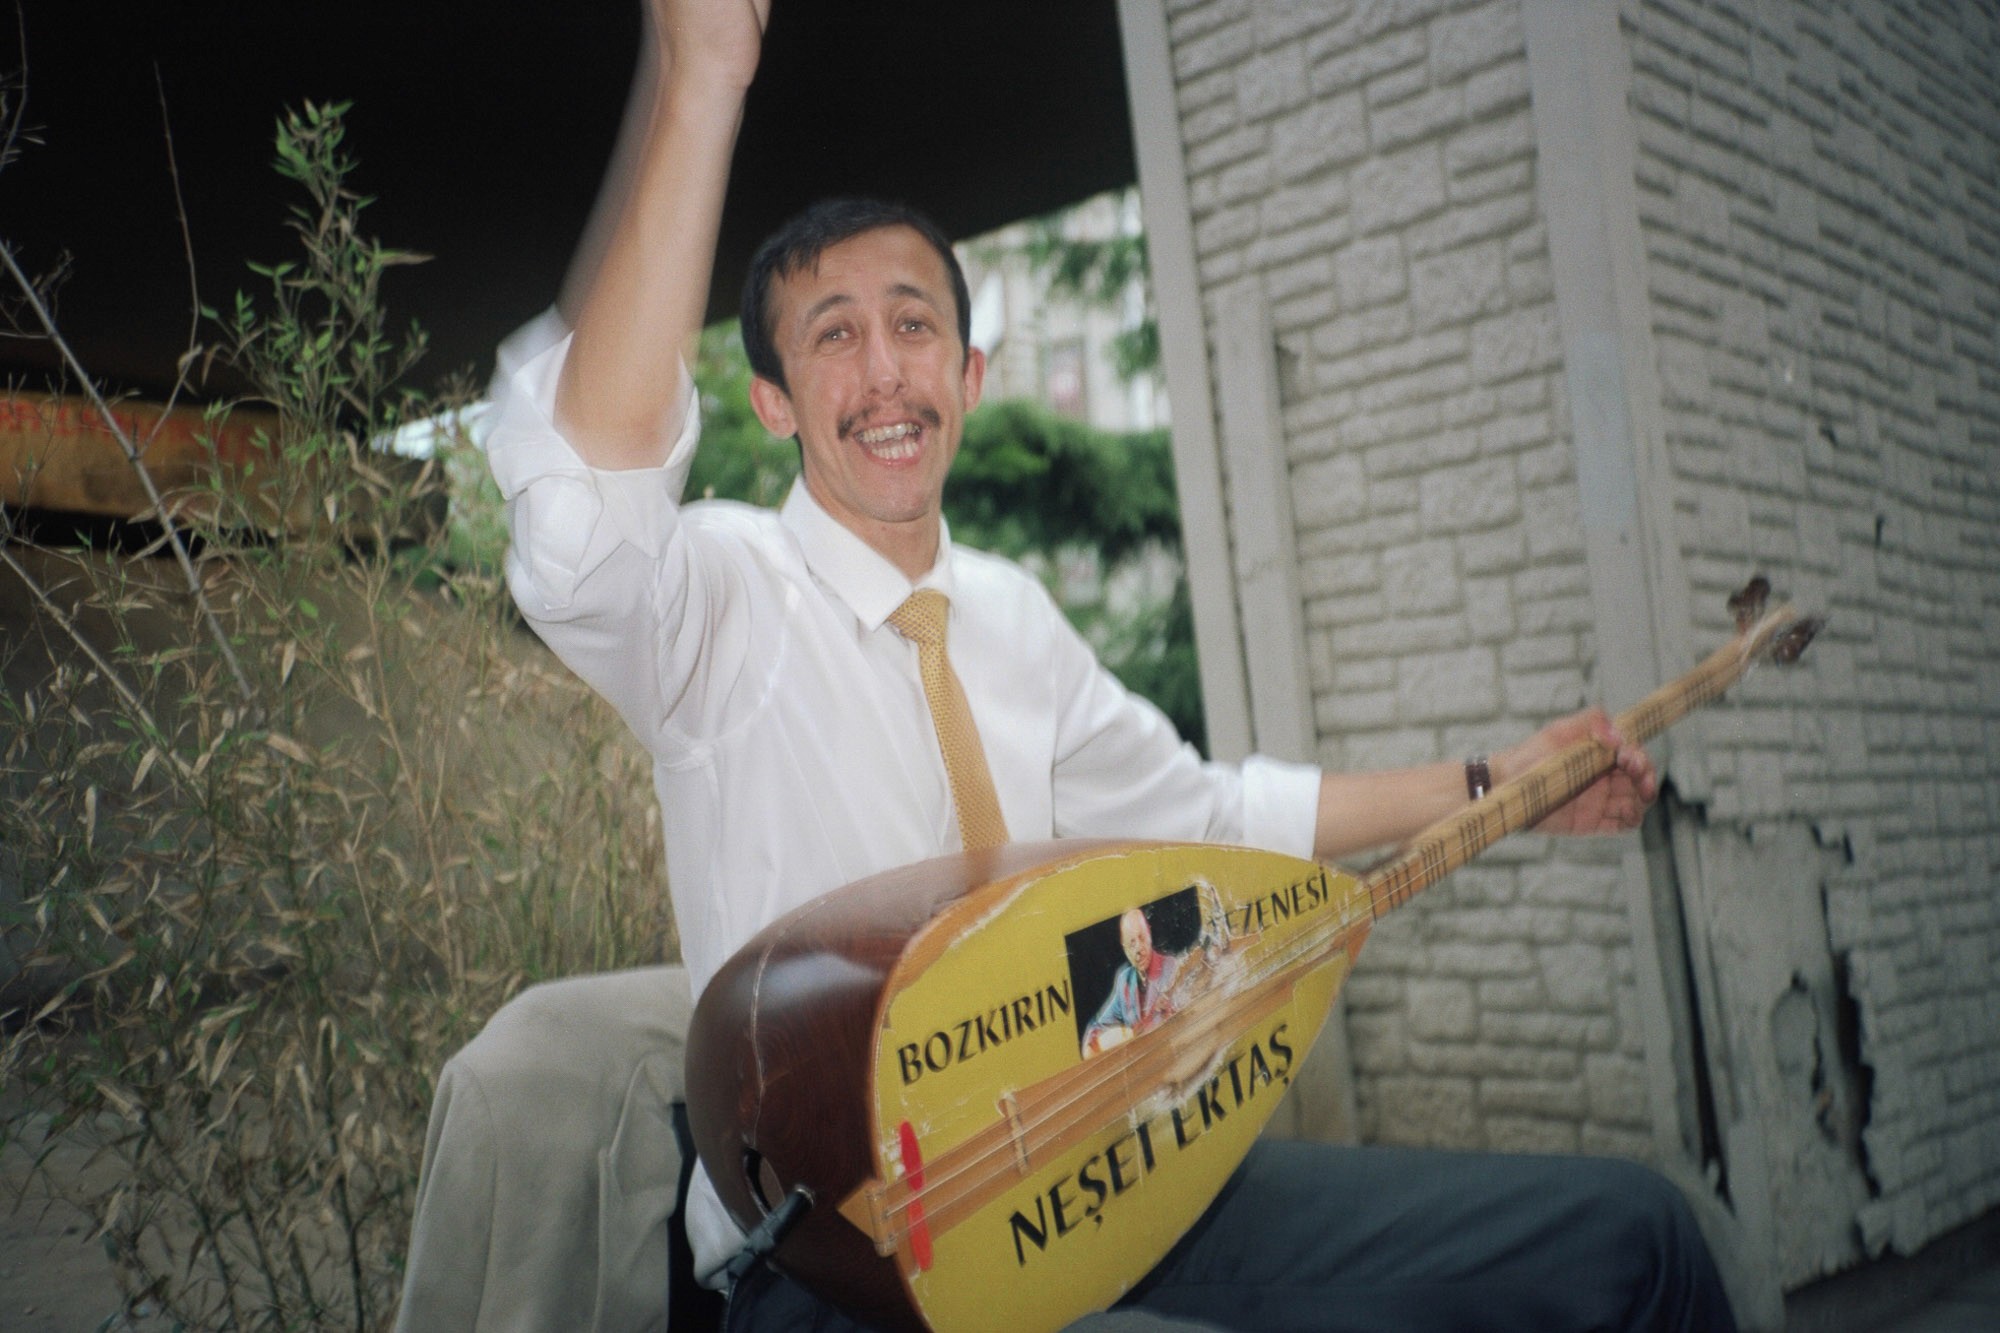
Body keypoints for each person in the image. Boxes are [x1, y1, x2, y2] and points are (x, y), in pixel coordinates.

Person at [396, 1, 1738, 1329]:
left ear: (971, 375)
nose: (884, 373)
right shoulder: (721, 596)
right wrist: (701, 74)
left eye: (914, 326)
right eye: (833, 335)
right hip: (847, 1266)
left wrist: (1501, 782)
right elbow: (587, 513)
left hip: (1100, 1187)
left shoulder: (1013, 616)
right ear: (773, 401)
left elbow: (1214, 819)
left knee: (1635, 1236)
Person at [1082, 908, 1185, 1057]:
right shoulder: (1124, 980)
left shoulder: (1171, 968)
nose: (1138, 949)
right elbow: (1099, 1025)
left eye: (1141, 938)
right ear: (1125, 949)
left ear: (1149, 934)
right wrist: (1091, 1044)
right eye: (1131, 943)